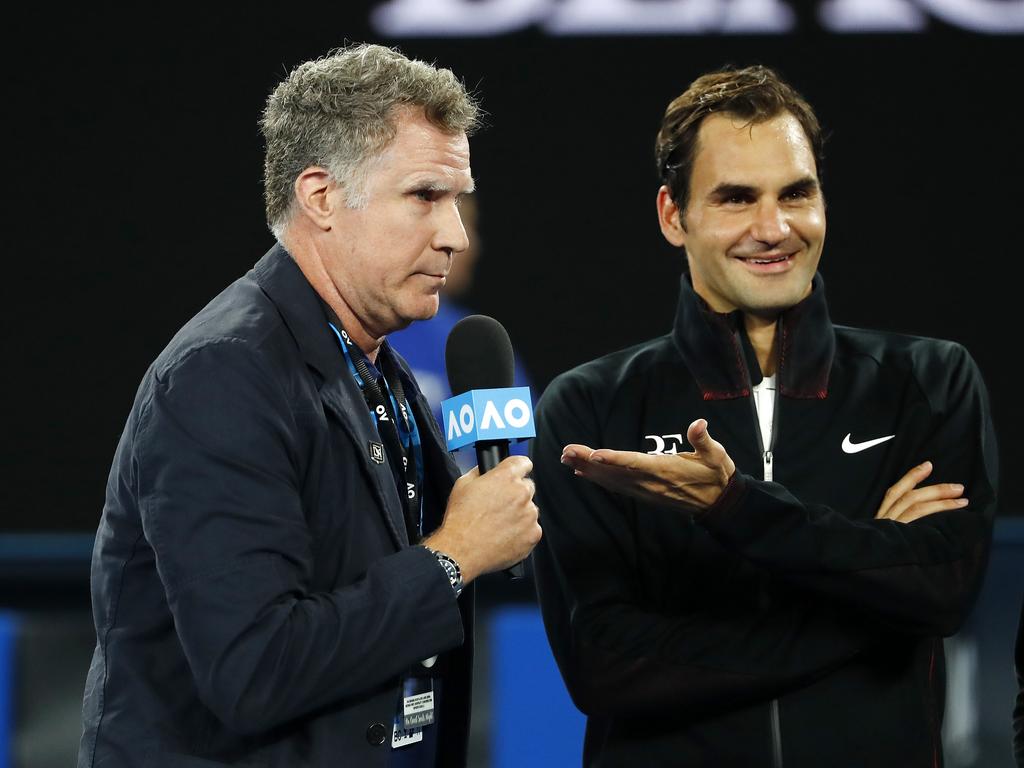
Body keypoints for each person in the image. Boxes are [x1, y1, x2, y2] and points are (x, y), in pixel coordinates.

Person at [78, 43, 541, 768]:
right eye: (425, 196)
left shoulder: (372, 360)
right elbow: (253, 669)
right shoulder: (225, 374)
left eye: (457, 199)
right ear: (322, 197)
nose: (454, 233)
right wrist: (452, 557)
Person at [531, 64, 998, 767]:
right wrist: (874, 593)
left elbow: (942, 592)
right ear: (672, 216)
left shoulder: (927, 381)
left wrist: (733, 507)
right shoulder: (590, 408)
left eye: (797, 194)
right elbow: (607, 668)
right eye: (736, 198)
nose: (774, 228)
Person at [388, 192, 535, 469]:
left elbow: (519, 459)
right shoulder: (363, 333)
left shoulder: (475, 342)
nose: (468, 244)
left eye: (467, 226)